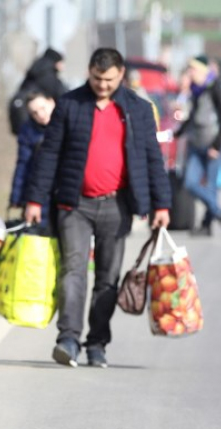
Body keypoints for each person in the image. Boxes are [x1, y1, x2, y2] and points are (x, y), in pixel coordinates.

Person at [24, 48, 172, 369]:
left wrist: (162, 204)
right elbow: (49, 154)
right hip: (73, 203)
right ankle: (68, 339)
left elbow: (152, 160)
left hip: (117, 205)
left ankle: (97, 343)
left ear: (120, 75)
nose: (102, 85)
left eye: (108, 80)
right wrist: (34, 199)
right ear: (89, 72)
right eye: (96, 78)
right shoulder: (69, 104)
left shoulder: (139, 109)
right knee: (73, 270)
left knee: (107, 278)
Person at [174, 55, 221, 236]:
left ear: (202, 69)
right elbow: (193, 116)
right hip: (196, 143)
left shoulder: (215, 86)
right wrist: (178, 133)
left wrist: (216, 146)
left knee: (208, 187)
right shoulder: (196, 89)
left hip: (212, 144)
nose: (190, 73)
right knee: (191, 182)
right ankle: (216, 214)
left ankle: (207, 224)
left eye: (192, 69)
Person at [9, 91, 56, 230]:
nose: (40, 115)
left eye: (42, 108)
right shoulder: (28, 131)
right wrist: (16, 197)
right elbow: (23, 164)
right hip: (37, 191)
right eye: (35, 112)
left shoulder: (67, 123)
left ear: (51, 102)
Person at [8, 48, 68, 135]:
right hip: (42, 128)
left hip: (26, 127)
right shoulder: (49, 76)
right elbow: (64, 98)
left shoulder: (33, 73)